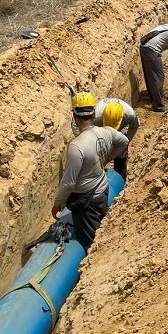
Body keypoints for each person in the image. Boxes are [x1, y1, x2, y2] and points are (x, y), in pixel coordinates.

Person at [51, 91, 129, 251]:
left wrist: (57, 203)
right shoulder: (106, 132)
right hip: (103, 189)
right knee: (102, 223)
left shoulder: (76, 146)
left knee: (93, 246)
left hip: (87, 203)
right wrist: (109, 157)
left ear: (75, 117)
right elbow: (124, 141)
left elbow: (68, 182)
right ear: (94, 114)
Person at [73, 97, 140, 180]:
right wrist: (85, 143)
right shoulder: (96, 116)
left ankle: (120, 178)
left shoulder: (130, 114)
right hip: (100, 128)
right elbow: (75, 125)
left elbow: (134, 126)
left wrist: (126, 143)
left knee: (121, 155)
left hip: (119, 130)